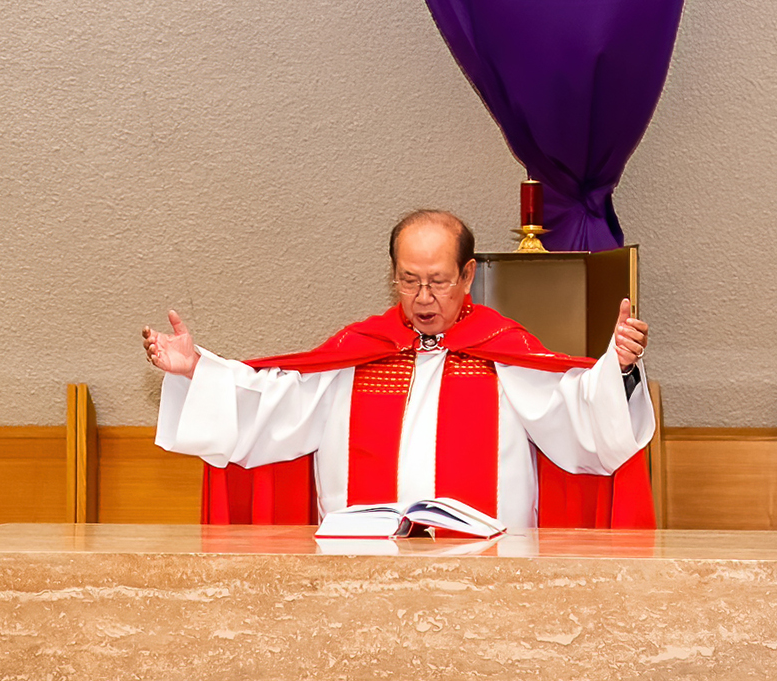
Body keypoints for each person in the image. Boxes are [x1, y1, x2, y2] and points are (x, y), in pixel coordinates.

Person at [147, 210, 653, 530]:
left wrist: (619, 367)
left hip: (485, 573)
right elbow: (271, 405)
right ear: (393, 275)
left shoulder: (504, 352)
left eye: (438, 281)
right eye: (409, 281)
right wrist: (197, 369)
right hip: (364, 566)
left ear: (468, 275)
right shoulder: (359, 351)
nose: (423, 298)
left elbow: (579, 415)